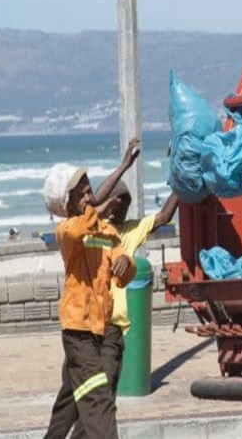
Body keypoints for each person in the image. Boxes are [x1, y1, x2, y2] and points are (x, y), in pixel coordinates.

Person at [42, 140, 141, 439]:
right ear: (67, 204)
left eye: (89, 189)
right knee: (98, 400)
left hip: (105, 329)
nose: (89, 195)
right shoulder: (67, 231)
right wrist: (96, 207)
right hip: (79, 332)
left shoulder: (105, 230)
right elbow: (77, 228)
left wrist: (125, 264)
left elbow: (121, 259)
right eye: (82, 193)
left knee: (71, 404)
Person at [91, 182, 179, 397]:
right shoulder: (92, 228)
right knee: (85, 389)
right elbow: (87, 211)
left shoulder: (131, 229)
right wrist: (124, 166)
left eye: (126, 207)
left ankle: (100, 425)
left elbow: (163, 216)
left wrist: (180, 184)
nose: (122, 211)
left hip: (113, 324)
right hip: (88, 322)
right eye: (117, 205)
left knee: (108, 385)